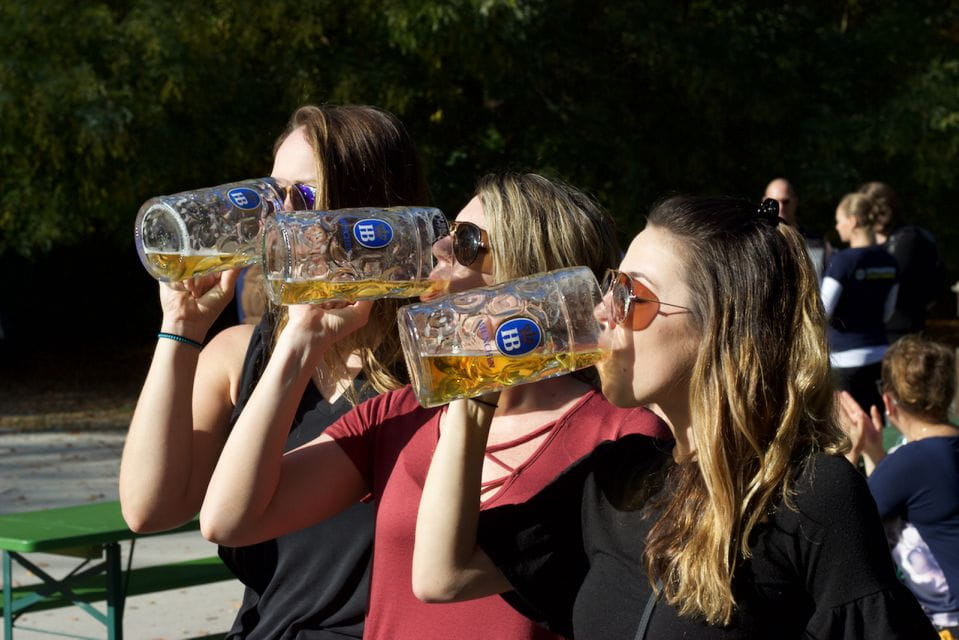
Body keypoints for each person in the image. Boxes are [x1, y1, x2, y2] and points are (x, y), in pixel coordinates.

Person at [412, 196, 936, 639]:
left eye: (631, 296)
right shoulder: (619, 480)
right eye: (610, 286)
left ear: (723, 329)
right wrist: (472, 390)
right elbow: (441, 575)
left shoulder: (811, 493)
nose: (601, 312)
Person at [199, 172, 671, 640]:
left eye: (467, 242)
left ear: (533, 273)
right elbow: (230, 520)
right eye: (445, 233)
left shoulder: (621, 435)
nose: (438, 251)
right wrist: (303, 342)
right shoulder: (402, 413)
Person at [120, 104, 428, 639]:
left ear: (372, 211)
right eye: (272, 192)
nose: (277, 216)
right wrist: (181, 330)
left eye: (304, 196)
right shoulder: (239, 356)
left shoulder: (433, 361)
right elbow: (149, 509)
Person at [838, 335, 959, 638]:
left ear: (889, 400)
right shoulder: (932, 455)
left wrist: (849, 454)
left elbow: (845, 525)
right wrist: (874, 453)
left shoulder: (908, 463)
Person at [823, 192, 899, 412]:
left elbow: (822, 311)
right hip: (880, 356)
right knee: (875, 425)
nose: (837, 227)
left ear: (853, 221)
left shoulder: (842, 261)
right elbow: (887, 313)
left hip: (844, 360)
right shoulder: (890, 261)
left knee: (846, 434)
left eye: (839, 220)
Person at [859, 181, 943, 341]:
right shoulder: (872, 240)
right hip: (872, 330)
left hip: (901, 329)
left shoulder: (907, 239)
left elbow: (890, 278)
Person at [764, 177, 831, 281]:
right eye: (774, 203)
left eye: (785, 201)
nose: (781, 207)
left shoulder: (817, 242)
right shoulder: (758, 242)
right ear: (764, 202)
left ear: (795, 202)